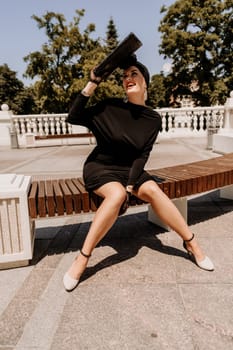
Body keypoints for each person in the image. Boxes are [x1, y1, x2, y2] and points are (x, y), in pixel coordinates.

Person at [63, 56, 214, 291]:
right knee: (115, 196)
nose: (128, 78)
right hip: (101, 167)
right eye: (125, 76)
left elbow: (142, 156)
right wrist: (92, 83)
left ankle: (191, 243)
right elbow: (73, 117)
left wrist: (131, 185)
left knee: (153, 189)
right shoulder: (110, 107)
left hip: (130, 169)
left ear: (145, 84)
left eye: (134, 74)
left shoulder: (153, 119)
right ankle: (82, 257)